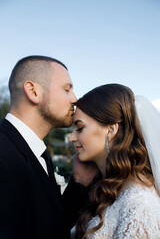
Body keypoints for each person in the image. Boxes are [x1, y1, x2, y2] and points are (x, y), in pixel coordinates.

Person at [0, 55, 98, 239]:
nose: (75, 99)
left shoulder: (37, 153)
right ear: (33, 91)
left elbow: (49, 223)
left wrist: (79, 182)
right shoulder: (4, 157)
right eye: (67, 89)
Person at [69, 83, 160, 239]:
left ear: (110, 130)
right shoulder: (112, 188)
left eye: (80, 128)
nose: (72, 137)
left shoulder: (140, 205)